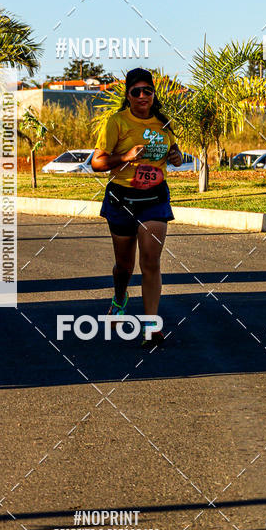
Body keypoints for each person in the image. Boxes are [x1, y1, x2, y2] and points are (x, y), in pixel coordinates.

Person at [91, 68, 182, 347]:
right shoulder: (117, 122)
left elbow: (173, 152)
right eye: (136, 91)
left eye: (147, 91)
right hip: (122, 199)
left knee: (151, 262)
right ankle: (120, 297)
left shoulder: (164, 123)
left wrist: (176, 156)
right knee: (124, 266)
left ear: (154, 94)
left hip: (154, 199)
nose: (143, 96)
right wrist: (126, 157)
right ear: (128, 95)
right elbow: (97, 163)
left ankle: (151, 326)